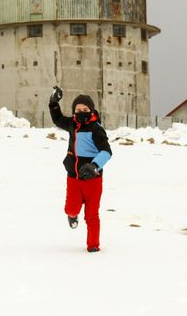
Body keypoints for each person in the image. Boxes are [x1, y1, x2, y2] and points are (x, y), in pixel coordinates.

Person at [49, 86, 112, 253]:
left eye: (85, 109)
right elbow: (57, 119)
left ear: (91, 111)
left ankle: (93, 245)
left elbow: (107, 151)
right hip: (74, 178)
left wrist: (95, 166)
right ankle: (72, 215)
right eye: (78, 109)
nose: (81, 112)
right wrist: (53, 103)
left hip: (93, 179)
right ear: (74, 111)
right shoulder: (72, 124)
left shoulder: (96, 129)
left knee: (92, 215)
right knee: (71, 208)